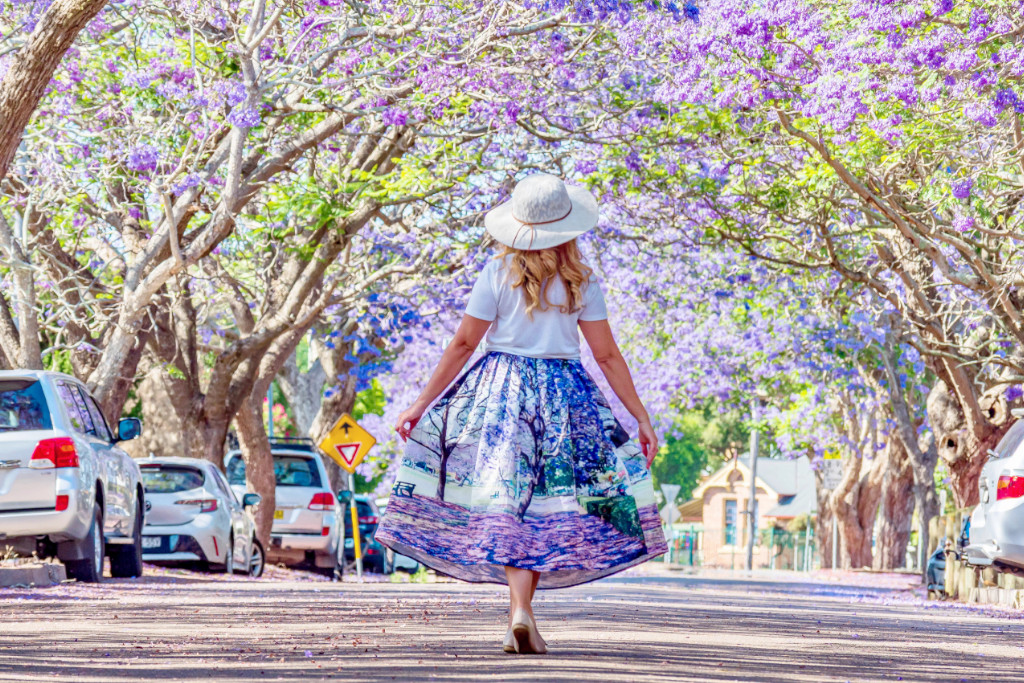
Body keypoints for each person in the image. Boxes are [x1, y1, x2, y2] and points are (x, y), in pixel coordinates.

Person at [375, 173, 667, 655]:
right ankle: (521, 612)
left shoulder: (497, 273)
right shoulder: (583, 282)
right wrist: (640, 418)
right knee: (546, 504)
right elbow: (608, 356)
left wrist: (420, 402)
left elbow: (465, 343)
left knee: (512, 501)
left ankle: (519, 612)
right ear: (568, 228)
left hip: (500, 397)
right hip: (564, 397)